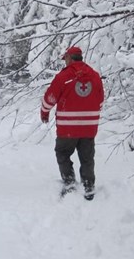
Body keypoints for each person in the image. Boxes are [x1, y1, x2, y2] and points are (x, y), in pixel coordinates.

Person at [40, 46, 104, 200]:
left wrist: (44, 111)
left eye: (65, 59)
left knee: (62, 153)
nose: (65, 62)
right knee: (87, 157)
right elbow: (100, 100)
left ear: (69, 57)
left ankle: (69, 182)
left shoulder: (64, 76)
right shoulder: (95, 76)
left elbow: (51, 97)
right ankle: (88, 186)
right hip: (89, 127)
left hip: (68, 127)